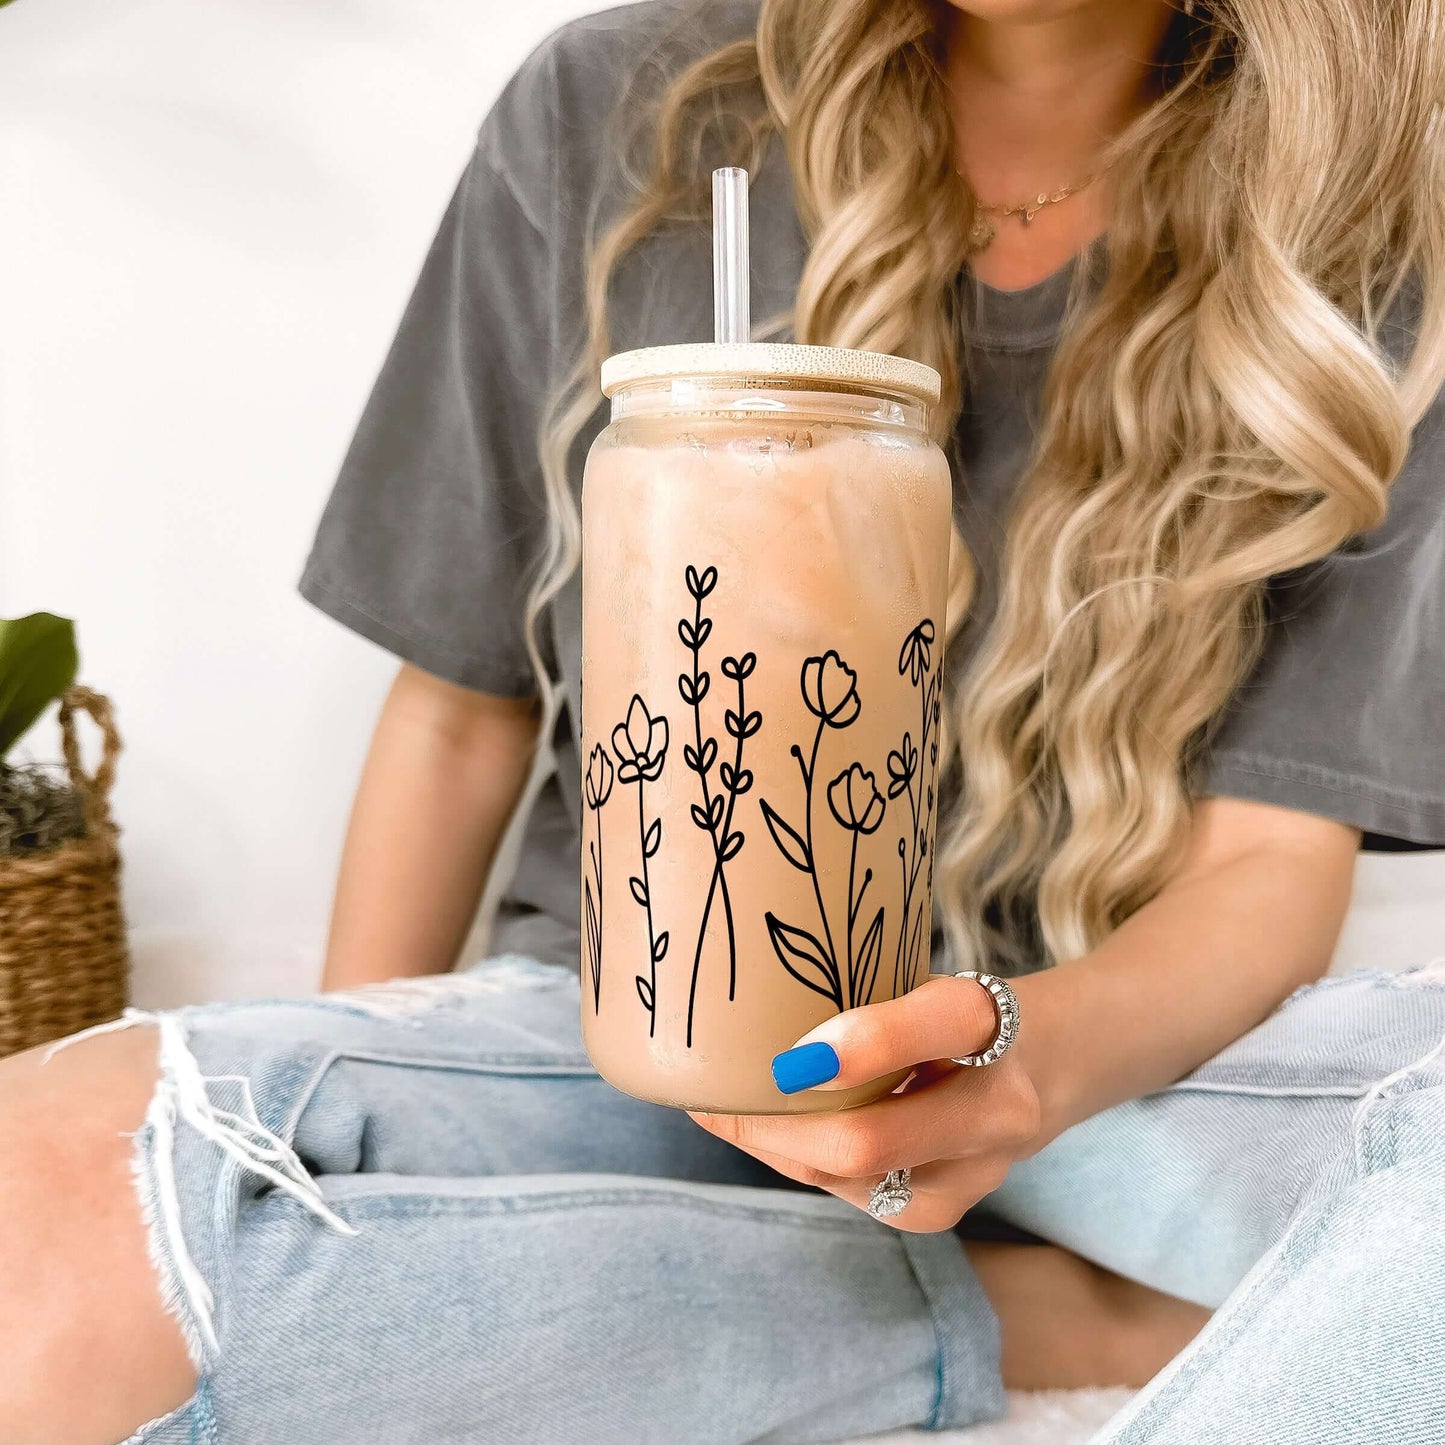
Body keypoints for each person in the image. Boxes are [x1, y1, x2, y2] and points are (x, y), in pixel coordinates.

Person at [4, 0, 1444, 1440]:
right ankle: (1023, 1311)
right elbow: (455, 719)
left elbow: (1265, 857)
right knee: (42, 1203)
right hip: (632, 1028)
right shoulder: (617, 107)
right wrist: (341, 1123)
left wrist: (1024, 1069)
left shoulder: (1368, 199)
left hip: (1117, 1060)